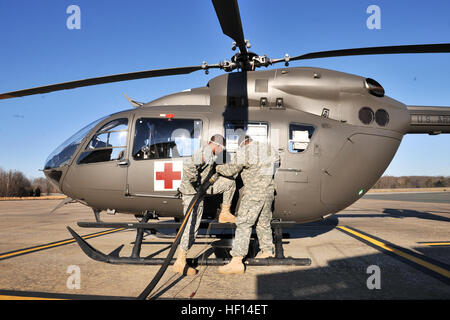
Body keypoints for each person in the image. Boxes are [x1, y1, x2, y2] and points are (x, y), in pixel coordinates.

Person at [173, 134, 237, 275]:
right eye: (222, 148)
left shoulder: (210, 154)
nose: (222, 151)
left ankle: (225, 213)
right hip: (192, 194)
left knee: (229, 183)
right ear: (217, 145)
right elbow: (188, 166)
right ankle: (180, 262)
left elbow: (207, 173)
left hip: (201, 189)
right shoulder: (204, 153)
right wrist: (197, 184)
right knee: (191, 227)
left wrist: (214, 178)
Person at [215, 135, 280, 274]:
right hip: (268, 192)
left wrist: (218, 168)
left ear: (242, 144)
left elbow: (231, 170)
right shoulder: (270, 149)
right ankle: (267, 251)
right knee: (263, 223)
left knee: (243, 224)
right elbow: (277, 164)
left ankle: (237, 261)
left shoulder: (245, 151)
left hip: (253, 193)